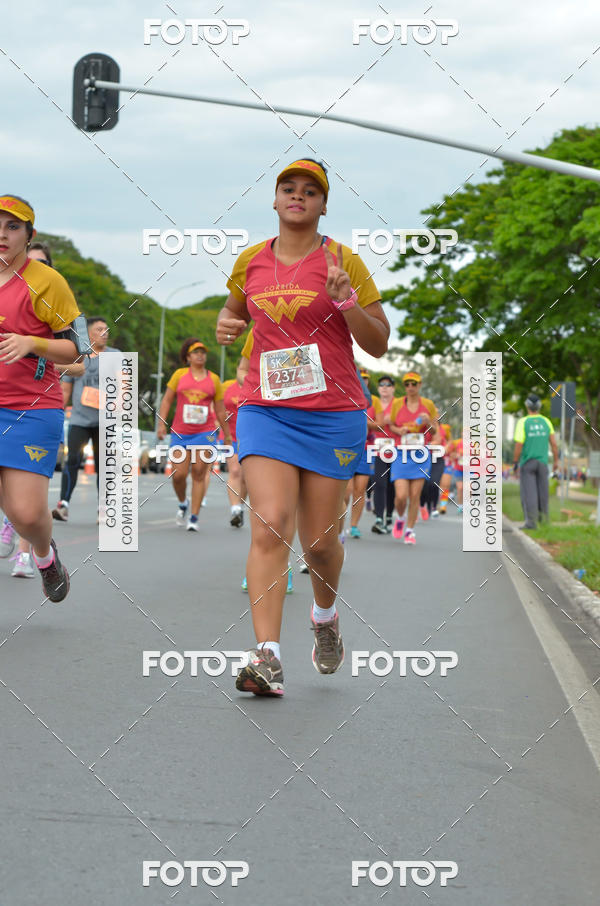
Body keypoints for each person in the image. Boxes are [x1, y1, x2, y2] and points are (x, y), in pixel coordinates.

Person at [216, 158, 388, 695]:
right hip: (265, 410)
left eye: (309, 191)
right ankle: (266, 657)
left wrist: (347, 303)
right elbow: (234, 315)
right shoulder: (249, 262)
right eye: (287, 188)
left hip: (333, 415)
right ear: (273, 200)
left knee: (319, 545)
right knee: (271, 520)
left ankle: (324, 615)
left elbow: (378, 341)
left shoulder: (345, 261)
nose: (297, 197)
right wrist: (226, 326)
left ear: (323, 204)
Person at [0, 194, 81, 601]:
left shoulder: (48, 282)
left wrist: (32, 341)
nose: (2, 234)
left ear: (29, 234)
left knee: (27, 513)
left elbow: (78, 348)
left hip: (31, 408)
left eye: (12, 227)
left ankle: (46, 557)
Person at [157, 338, 232, 531]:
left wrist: (227, 433)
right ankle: (183, 502)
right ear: (188, 357)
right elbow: (166, 401)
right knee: (178, 475)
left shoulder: (213, 379)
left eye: (203, 352)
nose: (200, 355)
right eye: (196, 352)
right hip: (180, 433)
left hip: (205, 433)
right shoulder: (179, 375)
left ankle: (194, 517)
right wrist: (161, 424)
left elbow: (221, 410)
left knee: (199, 472)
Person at [52, 316, 115, 522]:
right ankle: (63, 505)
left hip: (106, 421)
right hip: (79, 419)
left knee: (103, 465)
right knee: (73, 461)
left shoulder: (115, 355)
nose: (105, 333)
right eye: (99, 329)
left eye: (106, 330)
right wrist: (58, 411)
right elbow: (66, 388)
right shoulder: (78, 356)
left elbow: (124, 384)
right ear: (89, 334)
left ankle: (104, 508)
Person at [386, 372, 438, 545]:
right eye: (407, 384)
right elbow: (391, 425)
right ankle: (400, 517)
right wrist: (398, 431)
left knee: (415, 495)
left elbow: (435, 431)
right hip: (401, 453)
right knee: (401, 496)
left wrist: (428, 422)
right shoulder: (397, 404)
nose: (410, 387)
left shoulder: (428, 405)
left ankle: (410, 531)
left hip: (421, 455)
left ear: (420, 385)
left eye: (413, 384)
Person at [513, 393, 559, 529]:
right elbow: (554, 444)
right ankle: (544, 520)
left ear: (527, 406)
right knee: (543, 491)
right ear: (539, 407)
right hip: (543, 463)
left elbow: (518, 445)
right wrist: (556, 461)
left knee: (529, 492)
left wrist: (515, 462)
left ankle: (531, 522)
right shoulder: (546, 422)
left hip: (528, 462)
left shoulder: (523, 422)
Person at [222, 358, 248, 527]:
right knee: (235, 471)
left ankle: (239, 506)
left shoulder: (256, 386)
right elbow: (216, 407)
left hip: (252, 437)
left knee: (246, 477)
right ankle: (235, 509)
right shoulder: (227, 387)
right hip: (231, 437)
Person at [370, 375, 397, 534]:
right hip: (379, 448)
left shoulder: (399, 404)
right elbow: (370, 424)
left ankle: (388, 515)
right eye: (381, 385)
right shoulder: (374, 404)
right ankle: (379, 518)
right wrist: (380, 423)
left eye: (388, 384)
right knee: (379, 482)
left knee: (392, 484)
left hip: (396, 449)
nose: (384, 387)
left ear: (393, 388)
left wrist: (392, 422)